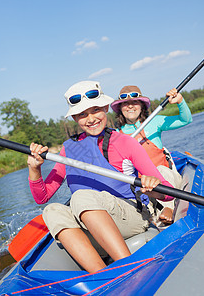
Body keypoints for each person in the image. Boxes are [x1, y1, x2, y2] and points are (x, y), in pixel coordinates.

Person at [27, 80, 174, 273]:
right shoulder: (67, 149)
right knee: (52, 210)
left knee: (81, 196)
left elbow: (168, 193)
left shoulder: (125, 143)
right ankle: (103, 276)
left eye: (95, 110)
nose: (90, 119)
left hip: (132, 217)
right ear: (75, 118)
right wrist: (35, 168)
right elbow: (42, 197)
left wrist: (153, 187)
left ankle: (129, 270)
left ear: (105, 107)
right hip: (92, 223)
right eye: (82, 114)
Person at [110, 85, 192, 225]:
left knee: (160, 172)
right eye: (125, 104)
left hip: (166, 181)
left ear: (141, 106)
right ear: (120, 108)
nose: (130, 107)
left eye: (135, 102)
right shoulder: (116, 135)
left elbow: (185, 120)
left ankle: (168, 208)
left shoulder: (154, 122)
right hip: (143, 188)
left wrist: (180, 101)